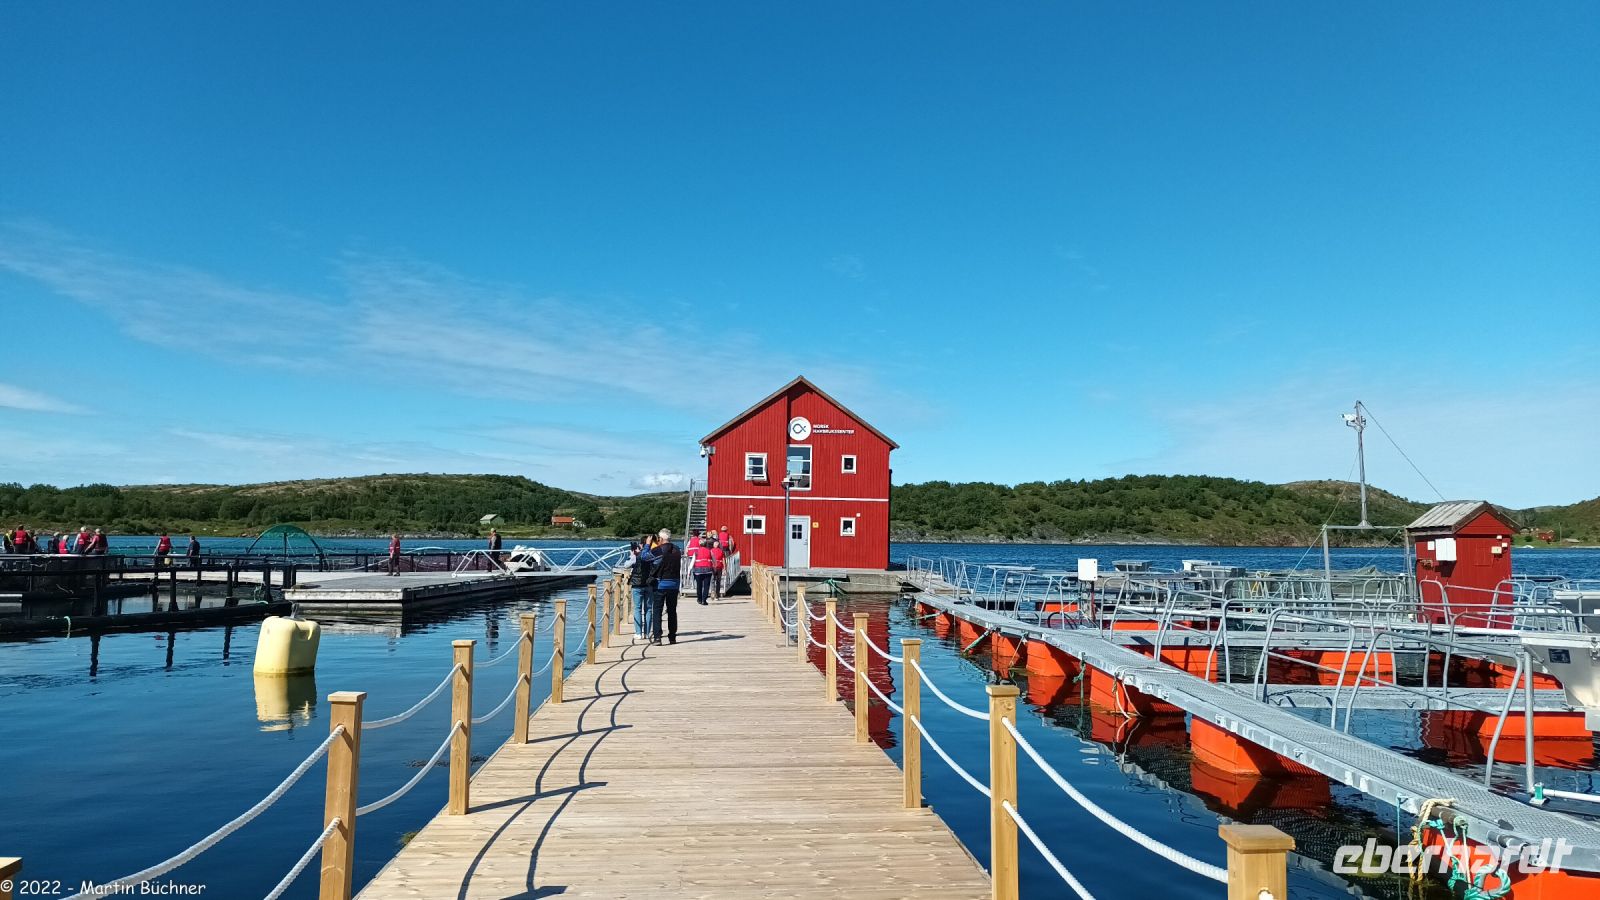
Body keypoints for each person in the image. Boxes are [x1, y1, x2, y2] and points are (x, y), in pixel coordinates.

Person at [649, 528, 682, 644]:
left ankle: (657, 637)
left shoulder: (658, 550)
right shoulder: (677, 550)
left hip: (660, 583)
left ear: (661, 539)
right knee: (672, 611)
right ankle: (672, 636)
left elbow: (646, 558)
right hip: (674, 584)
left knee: (657, 611)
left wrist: (648, 545)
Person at [629, 535, 656, 642]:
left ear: (641, 545)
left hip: (637, 584)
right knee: (649, 609)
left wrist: (632, 555)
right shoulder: (652, 556)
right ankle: (647, 633)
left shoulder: (637, 556)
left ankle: (638, 633)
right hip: (648, 584)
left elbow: (628, 565)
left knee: (637, 608)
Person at [687, 533, 715, 606]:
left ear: (700, 545)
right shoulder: (710, 551)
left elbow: (692, 562)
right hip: (708, 570)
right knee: (706, 586)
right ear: (706, 544)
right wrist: (714, 567)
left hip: (698, 571)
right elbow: (714, 561)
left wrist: (689, 570)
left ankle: (699, 599)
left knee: (699, 586)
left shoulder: (696, 552)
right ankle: (704, 600)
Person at [709, 534, 726, 602]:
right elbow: (724, 560)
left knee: (712, 580)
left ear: (714, 545)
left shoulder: (711, 551)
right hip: (719, 567)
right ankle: (717, 595)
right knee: (718, 582)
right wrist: (725, 568)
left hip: (713, 567)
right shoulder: (721, 551)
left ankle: (712, 592)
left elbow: (710, 559)